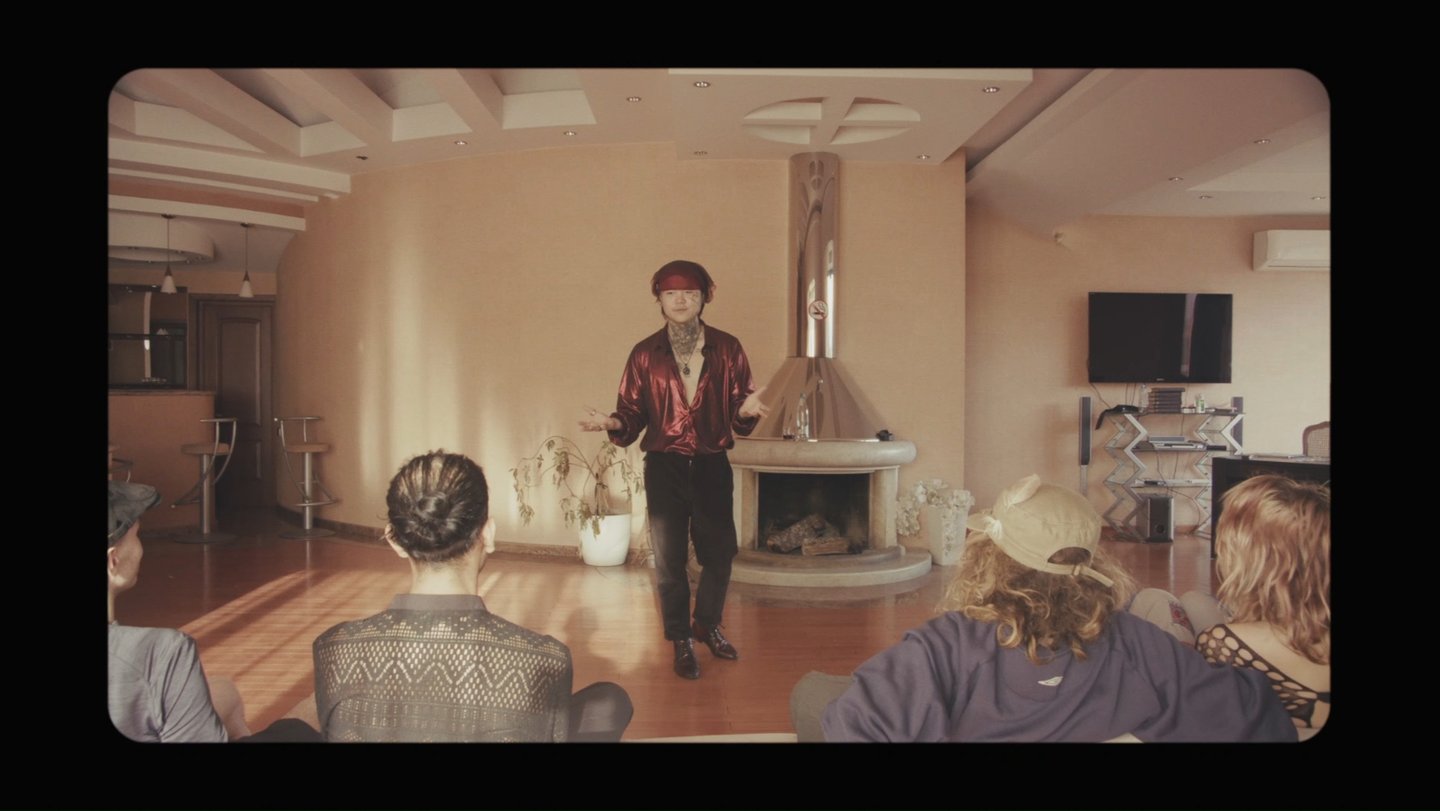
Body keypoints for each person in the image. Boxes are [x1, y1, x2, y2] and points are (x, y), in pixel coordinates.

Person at [797, 474, 1296, 742]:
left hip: (932, 692)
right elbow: (1258, 718)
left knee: (812, 694)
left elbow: (858, 725)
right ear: (1092, 562)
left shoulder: (943, 646)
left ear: (988, 560)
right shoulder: (1139, 648)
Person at [312, 450, 633, 741]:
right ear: (488, 534)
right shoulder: (545, 659)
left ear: (394, 541)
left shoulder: (334, 648)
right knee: (608, 701)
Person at [579, 259, 769, 680]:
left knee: (720, 553)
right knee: (669, 558)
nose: (680, 301)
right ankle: (681, 638)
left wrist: (746, 412)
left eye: (689, 293)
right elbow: (632, 412)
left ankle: (707, 624)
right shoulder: (644, 353)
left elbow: (740, 407)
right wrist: (613, 422)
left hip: (711, 463)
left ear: (704, 297)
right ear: (660, 299)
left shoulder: (728, 347)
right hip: (664, 465)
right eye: (671, 294)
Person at [1133, 474, 1330, 732]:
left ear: (1252, 559)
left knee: (1154, 599)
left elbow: (1206, 714)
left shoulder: (1221, 643)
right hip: (1299, 661)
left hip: (1248, 703)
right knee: (1194, 600)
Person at [108, 480, 233, 742]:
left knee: (225, 692)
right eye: (137, 536)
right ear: (113, 561)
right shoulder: (163, 652)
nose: (140, 547)